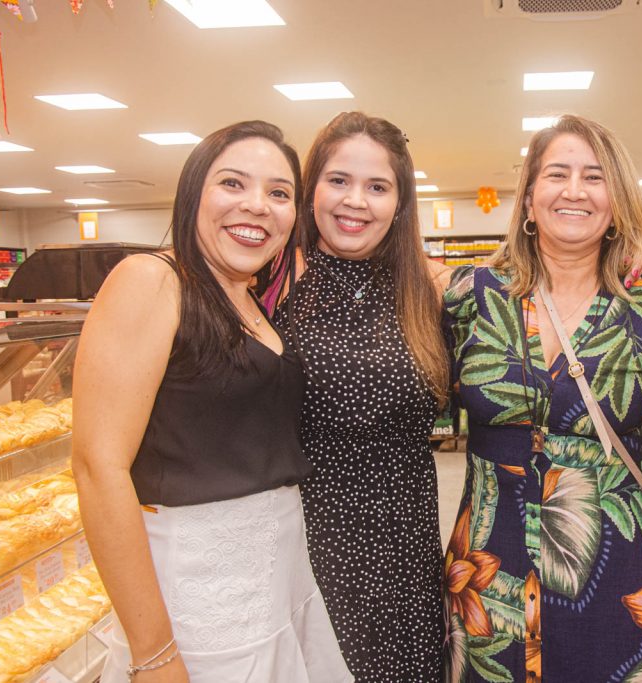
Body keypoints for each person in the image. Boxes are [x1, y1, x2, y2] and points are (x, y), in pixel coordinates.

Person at [72, 121, 352, 682]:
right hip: (202, 596)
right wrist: (153, 654)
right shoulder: (151, 280)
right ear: (194, 191)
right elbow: (98, 468)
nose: (257, 206)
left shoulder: (247, 300)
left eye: (278, 193)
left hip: (278, 582)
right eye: (232, 184)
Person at [442, 114, 642, 681]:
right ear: (529, 199)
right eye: (557, 173)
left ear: (617, 199)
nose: (574, 190)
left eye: (595, 177)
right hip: (488, 577)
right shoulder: (472, 295)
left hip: (618, 575)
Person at [275, 112, 452, 682]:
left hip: (406, 560)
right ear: (311, 191)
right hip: (303, 554)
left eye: (377, 187)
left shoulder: (432, 297)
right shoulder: (267, 290)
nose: (356, 201)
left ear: (399, 205)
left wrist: (622, 258)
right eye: (338, 180)